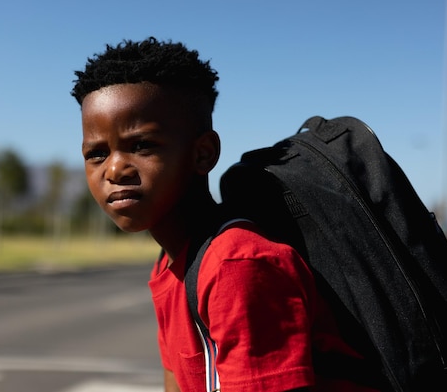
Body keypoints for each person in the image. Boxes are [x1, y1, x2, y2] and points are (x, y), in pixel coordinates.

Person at [71, 37, 379, 392]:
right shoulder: (170, 262)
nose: (115, 170)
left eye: (142, 145)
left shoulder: (237, 264)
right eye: (96, 153)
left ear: (203, 154)